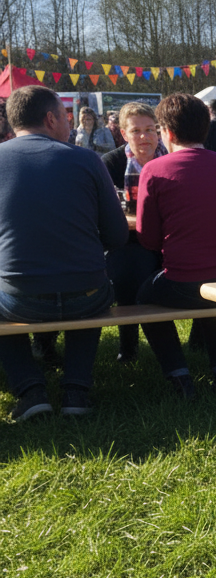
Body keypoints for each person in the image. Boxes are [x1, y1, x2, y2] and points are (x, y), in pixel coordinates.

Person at [0, 86, 128, 419]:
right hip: (86, 292)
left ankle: (30, 389)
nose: (69, 124)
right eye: (66, 116)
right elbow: (117, 236)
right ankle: (76, 390)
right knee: (90, 289)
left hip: (18, 297)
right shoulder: (87, 160)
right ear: (51, 118)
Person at [135, 93, 216, 399]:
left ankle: (179, 375)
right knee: (215, 292)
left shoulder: (154, 170)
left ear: (168, 132)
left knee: (142, 299)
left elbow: (147, 239)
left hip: (186, 283)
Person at [100, 102, 166, 362]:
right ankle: (128, 345)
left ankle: (200, 339)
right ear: (124, 134)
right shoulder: (112, 163)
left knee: (200, 263)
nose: (144, 137)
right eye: (136, 130)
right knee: (127, 269)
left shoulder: (169, 159)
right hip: (128, 239)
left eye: (150, 130)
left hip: (168, 237)